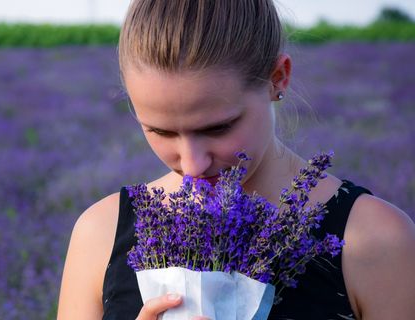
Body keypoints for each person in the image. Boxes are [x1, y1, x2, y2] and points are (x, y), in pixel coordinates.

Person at [57, 1, 415, 319]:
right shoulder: (100, 233)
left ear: (279, 78)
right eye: (161, 132)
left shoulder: (377, 241)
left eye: (218, 128)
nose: (193, 165)